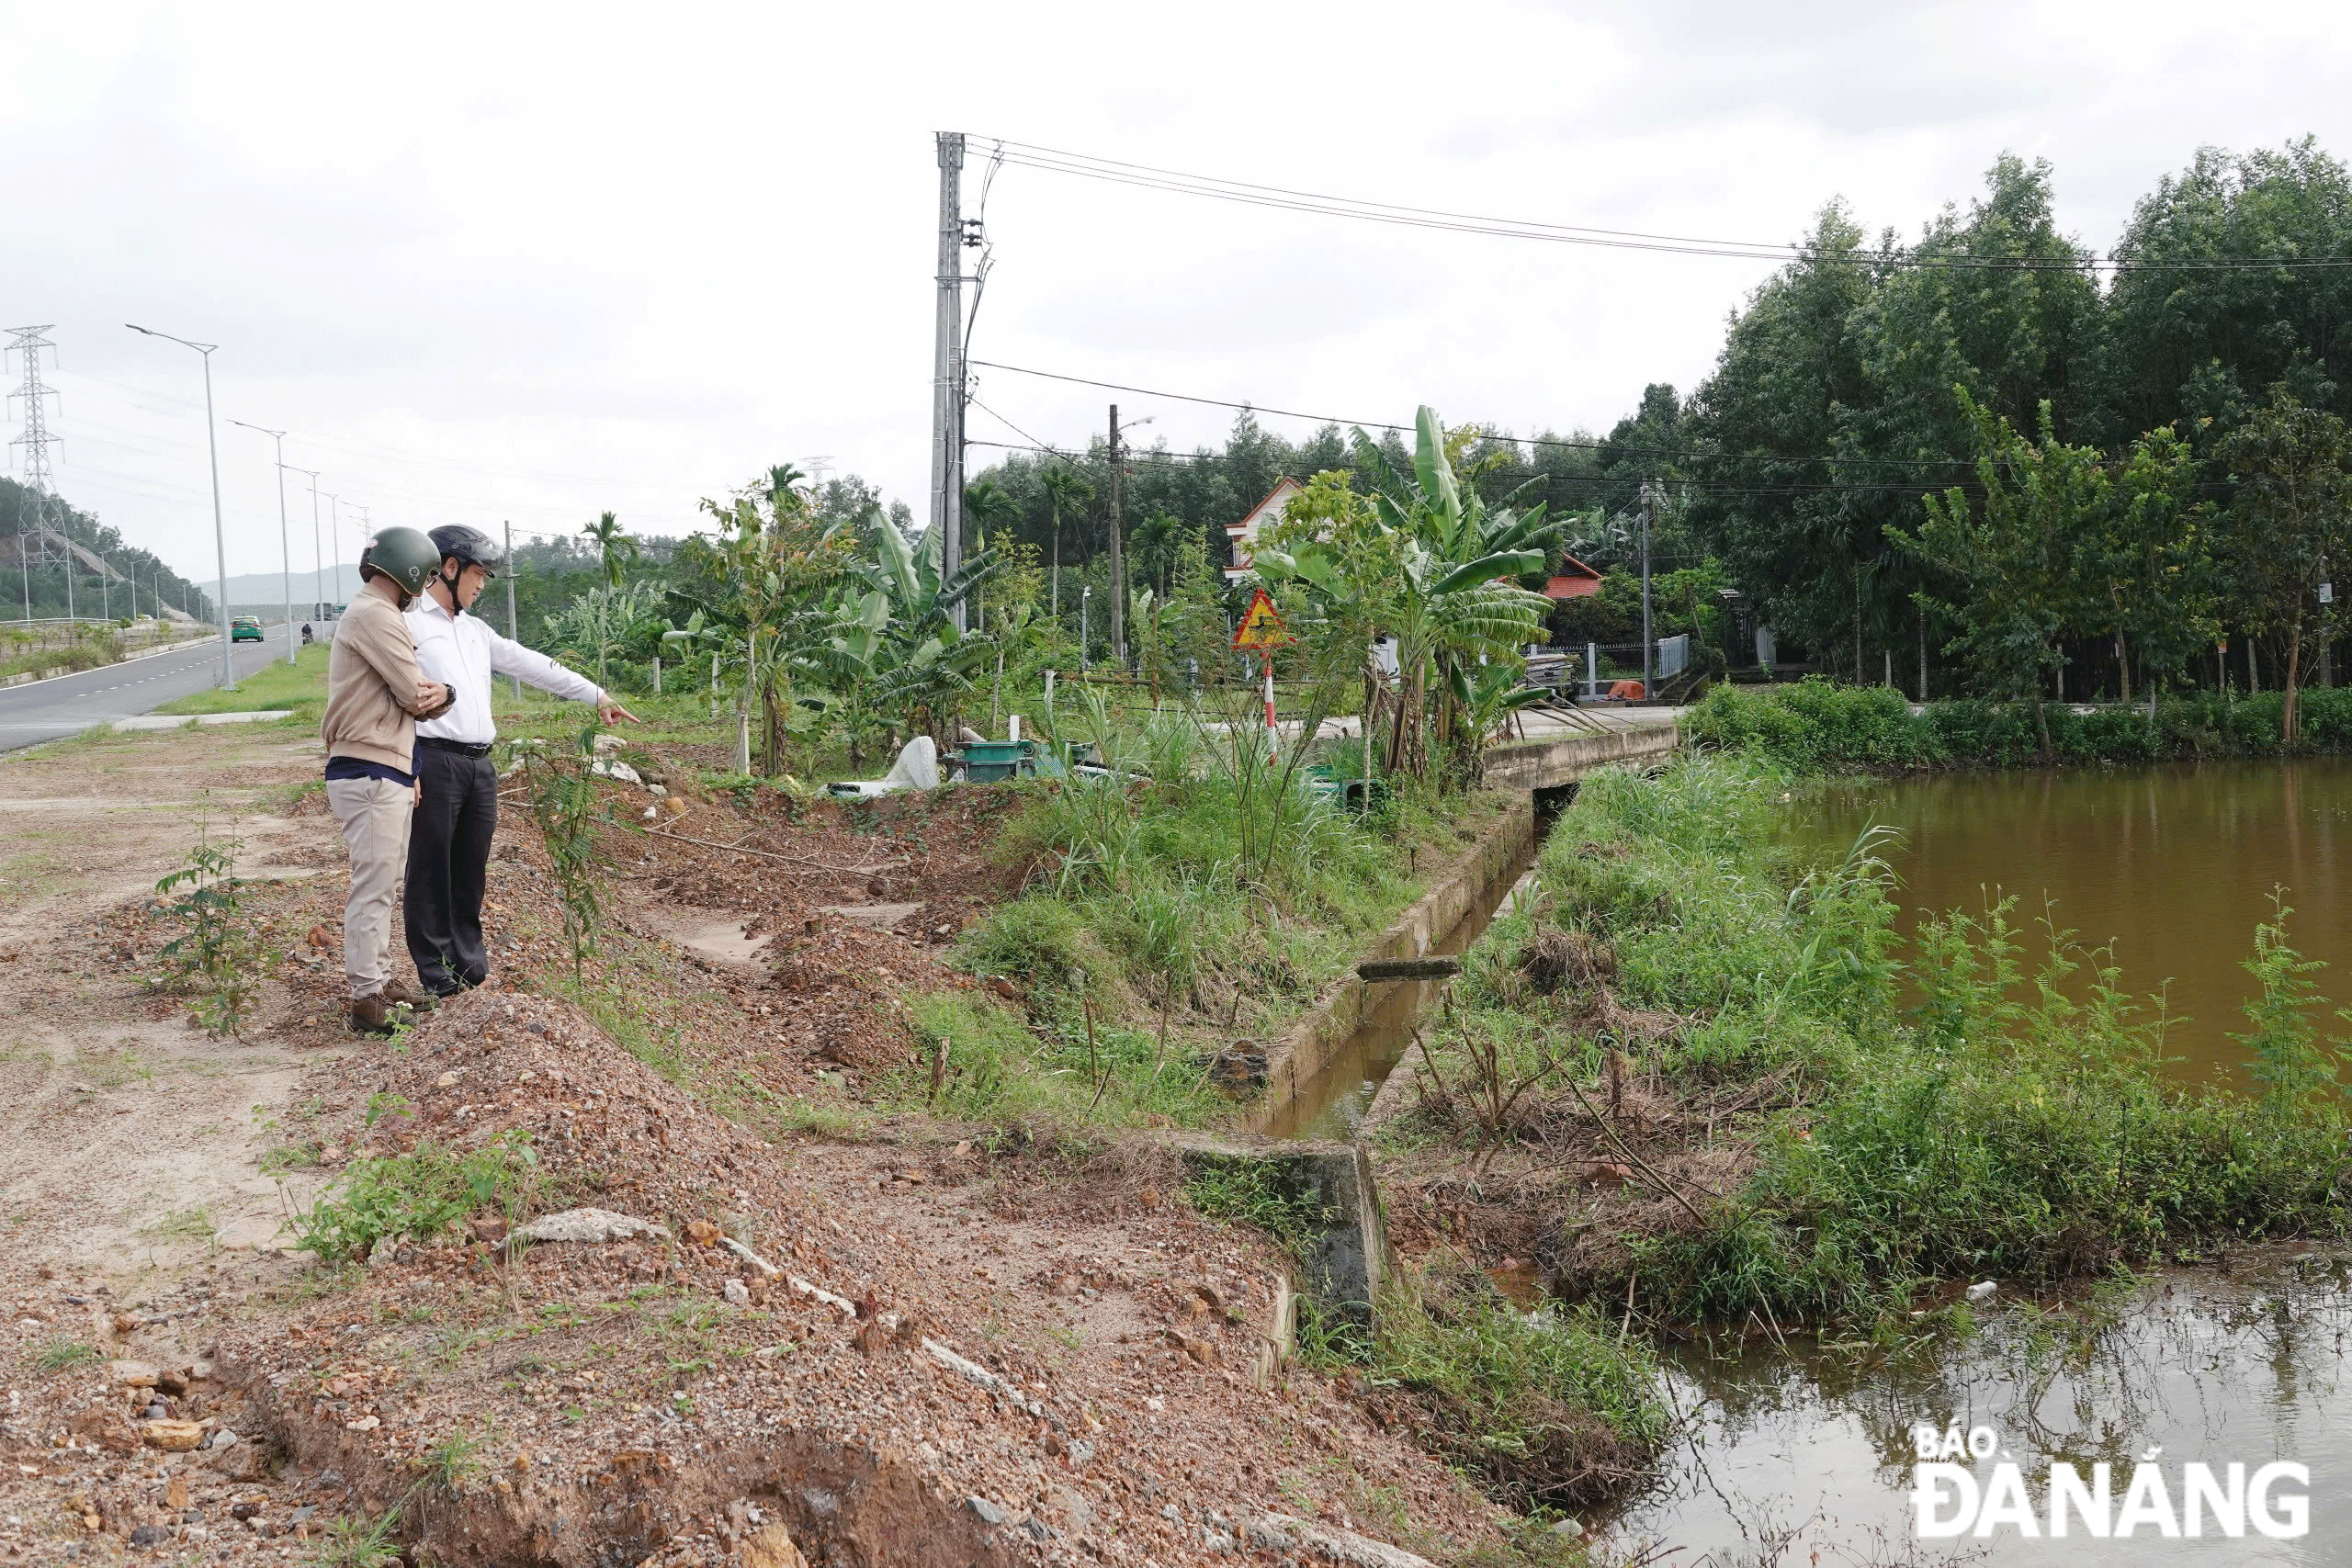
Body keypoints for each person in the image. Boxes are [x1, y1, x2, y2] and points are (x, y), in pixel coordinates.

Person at [404, 525, 638, 998]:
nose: (482, 584)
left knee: (470, 867)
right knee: (431, 869)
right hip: (431, 758)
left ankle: (468, 968)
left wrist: (594, 694)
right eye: (478, 574)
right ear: (448, 568)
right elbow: (391, 699)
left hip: (479, 764)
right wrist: (405, 765)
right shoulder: (408, 626)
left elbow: (531, 663)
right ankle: (435, 975)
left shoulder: (475, 631)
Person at [321, 526, 453, 1034]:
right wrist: (447, 693)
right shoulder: (377, 614)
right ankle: (366, 995)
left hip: (383, 764)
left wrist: (409, 767)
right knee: (374, 886)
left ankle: (377, 979)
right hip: (370, 767)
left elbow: (398, 701)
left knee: (383, 883)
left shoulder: (371, 611)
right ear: (414, 573)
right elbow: (415, 696)